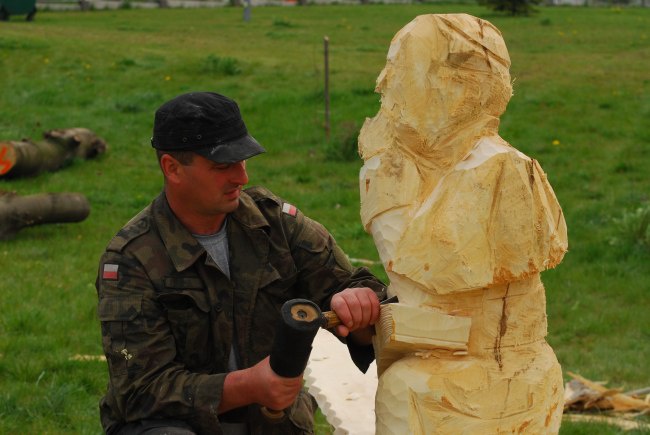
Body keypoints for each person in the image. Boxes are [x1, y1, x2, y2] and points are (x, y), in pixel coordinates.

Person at [96, 91, 386, 435]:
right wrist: (248, 385)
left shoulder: (275, 225)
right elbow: (140, 391)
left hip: (272, 423)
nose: (241, 177)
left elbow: (357, 289)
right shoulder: (131, 259)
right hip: (179, 426)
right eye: (223, 167)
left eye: (243, 160)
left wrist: (360, 305)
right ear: (172, 168)